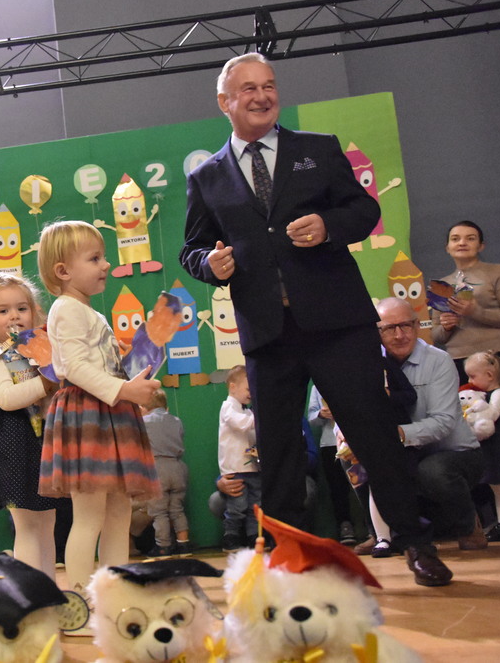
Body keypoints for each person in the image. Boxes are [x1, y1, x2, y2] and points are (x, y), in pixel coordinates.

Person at [179, 52, 450, 587]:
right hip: (267, 333)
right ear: (225, 102)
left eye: (269, 85)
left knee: (374, 434)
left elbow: (364, 211)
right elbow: (191, 249)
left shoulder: (318, 149)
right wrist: (209, 265)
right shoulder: (206, 176)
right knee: (278, 450)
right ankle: (289, 559)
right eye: (249, 89)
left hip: (338, 324)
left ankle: (416, 542)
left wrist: (328, 225)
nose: (262, 96)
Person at [36, 219, 161, 600]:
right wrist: (125, 389)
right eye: (94, 259)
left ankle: (112, 592)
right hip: (88, 415)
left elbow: (94, 363)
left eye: (103, 257)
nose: (106, 264)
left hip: (110, 413)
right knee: (89, 516)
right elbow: (74, 367)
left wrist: (130, 381)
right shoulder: (66, 309)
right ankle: (79, 597)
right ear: (63, 271)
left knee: (119, 514)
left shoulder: (90, 312)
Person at [377, 297, 487, 553]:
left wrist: (397, 434)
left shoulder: (438, 361)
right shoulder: (372, 365)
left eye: (406, 325)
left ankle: (469, 525)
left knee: (432, 471)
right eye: (389, 328)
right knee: (359, 460)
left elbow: (444, 422)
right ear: (377, 332)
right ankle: (382, 533)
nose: (399, 335)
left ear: (417, 325)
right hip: (404, 450)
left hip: (455, 453)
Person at [0, 272, 59, 578]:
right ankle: (31, 592)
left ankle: (48, 588)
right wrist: (46, 383)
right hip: (14, 449)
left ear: (34, 313)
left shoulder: (39, 352)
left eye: (22, 308)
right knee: (28, 525)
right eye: (3, 310)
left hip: (42, 445)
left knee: (47, 522)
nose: (14, 316)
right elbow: (7, 399)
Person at [430, 221, 500, 384]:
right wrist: (446, 327)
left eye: (470, 238)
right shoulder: (442, 284)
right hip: (458, 361)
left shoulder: (498, 272)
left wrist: (474, 312)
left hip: (495, 357)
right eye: (455, 239)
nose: (462, 243)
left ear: (481, 246)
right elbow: (436, 335)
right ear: (447, 247)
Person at [308, 386, 361, 545]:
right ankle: (345, 525)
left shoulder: (354, 379)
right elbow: (311, 417)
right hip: (330, 444)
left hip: (357, 440)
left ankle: (373, 528)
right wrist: (321, 414)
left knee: (363, 485)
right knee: (337, 488)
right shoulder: (317, 386)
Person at [140, 389, 190, 557]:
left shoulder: (144, 421)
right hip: (177, 466)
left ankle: (163, 546)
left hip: (157, 467)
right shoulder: (177, 421)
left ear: (145, 406)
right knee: (177, 509)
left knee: (159, 511)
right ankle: (184, 545)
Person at [462, 350, 500, 541]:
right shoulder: (480, 396)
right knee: (496, 488)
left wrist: (474, 411)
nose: (469, 381)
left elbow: (492, 414)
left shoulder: (499, 393)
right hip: (488, 448)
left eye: (472, 376)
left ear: (489, 375)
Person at [216, 365, 260, 552]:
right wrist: (260, 418)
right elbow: (241, 425)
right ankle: (231, 536)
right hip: (235, 468)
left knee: (254, 505)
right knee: (237, 505)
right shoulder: (228, 408)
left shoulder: (247, 411)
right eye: (248, 389)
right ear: (233, 387)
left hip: (252, 468)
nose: (251, 394)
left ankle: (253, 537)